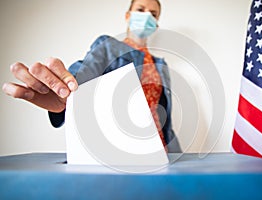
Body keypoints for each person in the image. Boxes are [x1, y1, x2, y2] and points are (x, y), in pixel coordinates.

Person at [2, 0, 181, 153]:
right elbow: (85, 71)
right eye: (141, 10)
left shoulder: (161, 65)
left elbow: (166, 121)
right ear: (128, 16)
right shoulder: (108, 46)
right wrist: (65, 88)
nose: (147, 16)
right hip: (123, 153)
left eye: (153, 14)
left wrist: (179, 158)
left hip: (162, 151)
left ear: (156, 23)